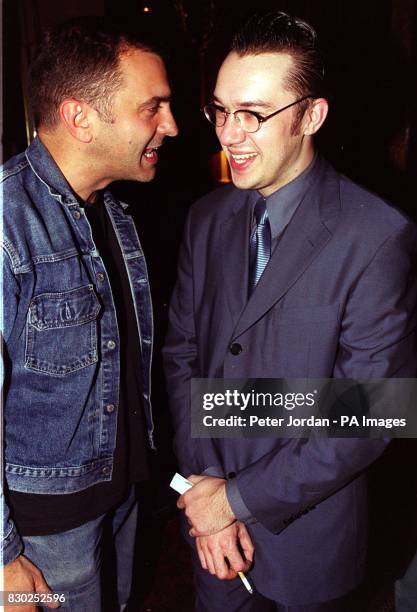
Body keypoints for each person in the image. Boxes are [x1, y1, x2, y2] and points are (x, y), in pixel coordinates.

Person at [163, 10, 417, 612]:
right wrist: (208, 495)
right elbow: (181, 356)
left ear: (311, 116)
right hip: (211, 545)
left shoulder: (377, 235)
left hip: (310, 550)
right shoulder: (206, 219)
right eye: (220, 111)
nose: (229, 134)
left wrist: (236, 500)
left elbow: (374, 411)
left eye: (252, 113)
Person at [1, 17, 177, 612]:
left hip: (119, 492)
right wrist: (1, 556)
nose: (170, 126)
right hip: (44, 531)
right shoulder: (6, 225)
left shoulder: (117, 216)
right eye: (152, 107)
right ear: (81, 117)